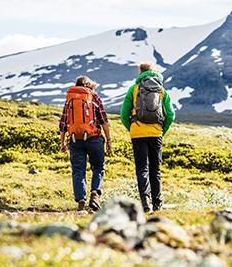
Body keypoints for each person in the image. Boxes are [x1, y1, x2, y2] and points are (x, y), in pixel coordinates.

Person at [120, 62, 175, 212]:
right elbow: (170, 114)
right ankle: (157, 203)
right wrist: (161, 131)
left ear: (141, 72)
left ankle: (145, 202)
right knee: (155, 169)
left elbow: (124, 114)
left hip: (138, 134)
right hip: (156, 133)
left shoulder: (134, 89)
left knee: (142, 168)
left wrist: (132, 128)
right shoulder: (162, 91)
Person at [59, 76, 112, 212]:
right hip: (94, 138)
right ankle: (94, 195)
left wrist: (63, 142)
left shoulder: (69, 101)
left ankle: (81, 201)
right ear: (90, 86)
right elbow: (104, 120)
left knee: (78, 171)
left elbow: (63, 123)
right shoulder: (95, 99)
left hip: (75, 140)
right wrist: (108, 140)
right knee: (98, 167)